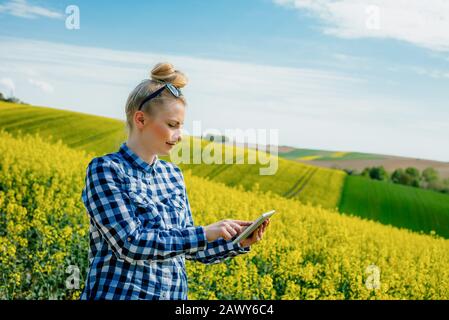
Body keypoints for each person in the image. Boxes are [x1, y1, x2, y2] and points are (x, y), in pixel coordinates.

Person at [80, 62, 270, 300]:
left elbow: (190, 249)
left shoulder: (173, 176)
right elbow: (130, 244)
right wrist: (205, 233)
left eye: (181, 126)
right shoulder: (106, 170)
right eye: (172, 125)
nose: (179, 136)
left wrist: (236, 242)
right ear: (140, 120)